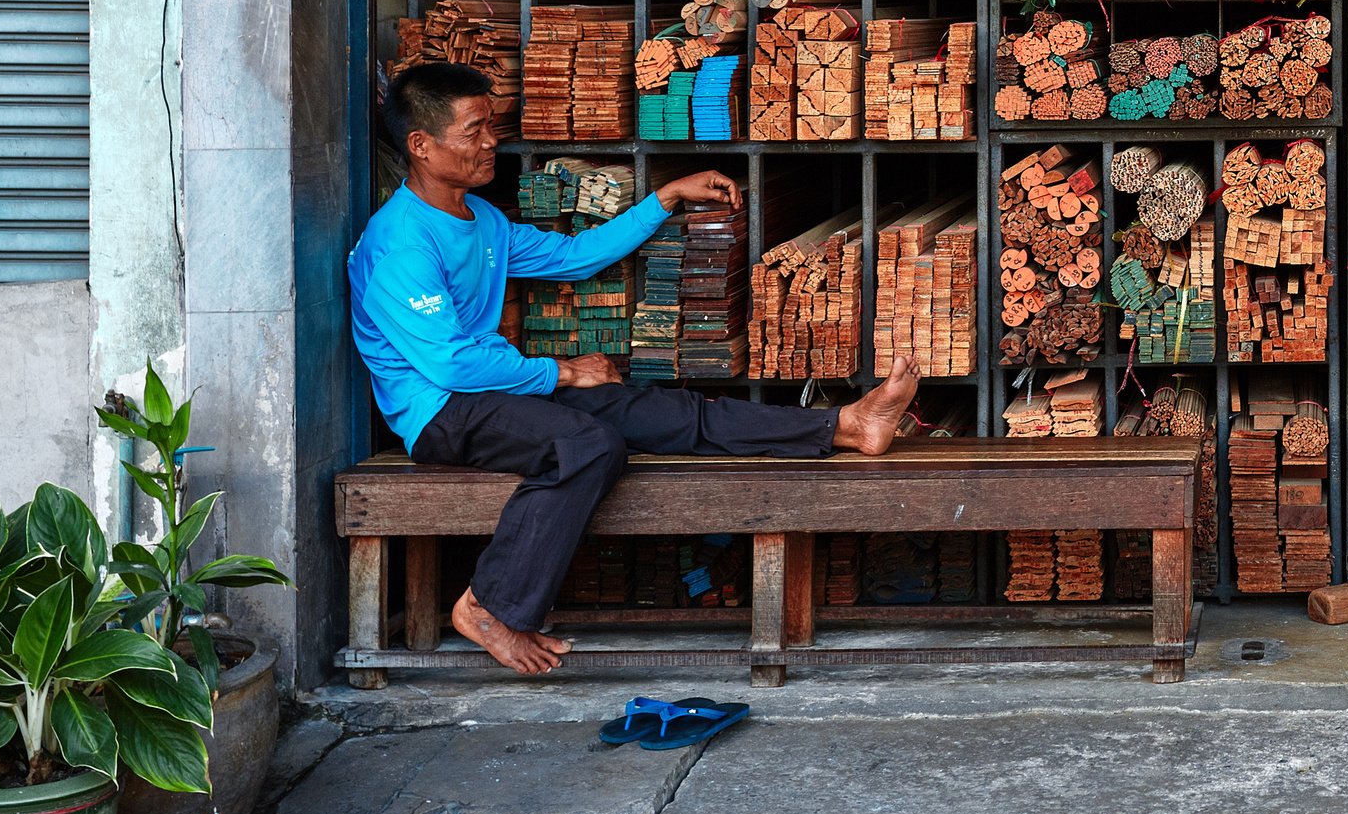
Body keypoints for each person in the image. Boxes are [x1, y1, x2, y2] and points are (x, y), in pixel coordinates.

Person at [351, 61, 922, 674]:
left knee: (657, 409)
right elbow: (452, 363)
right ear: (420, 144)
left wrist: (665, 197)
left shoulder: (481, 220)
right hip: (438, 410)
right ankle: (489, 606)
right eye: (474, 131)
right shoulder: (401, 243)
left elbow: (573, 256)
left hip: (493, 393)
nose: (492, 141)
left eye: (492, 125)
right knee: (588, 444)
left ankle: (846, 426)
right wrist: (564, 373)